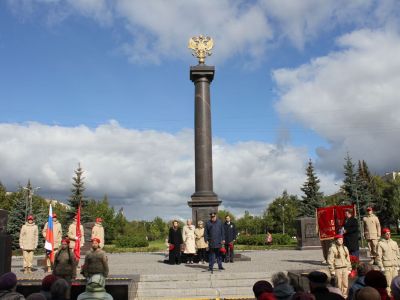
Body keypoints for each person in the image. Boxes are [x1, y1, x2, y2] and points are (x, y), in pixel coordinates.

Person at [376, 227, 400, 294]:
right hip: (386, 268)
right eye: (386, 234)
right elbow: (378, 256)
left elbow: (398, 255)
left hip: (395, 267)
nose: (388, 235)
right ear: (383, 235)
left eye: (389, 233)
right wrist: (381, 267)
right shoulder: (380, 244)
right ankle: (388, 297)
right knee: (388, 285)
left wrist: (398, 264)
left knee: (396, 284)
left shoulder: (394, 243)